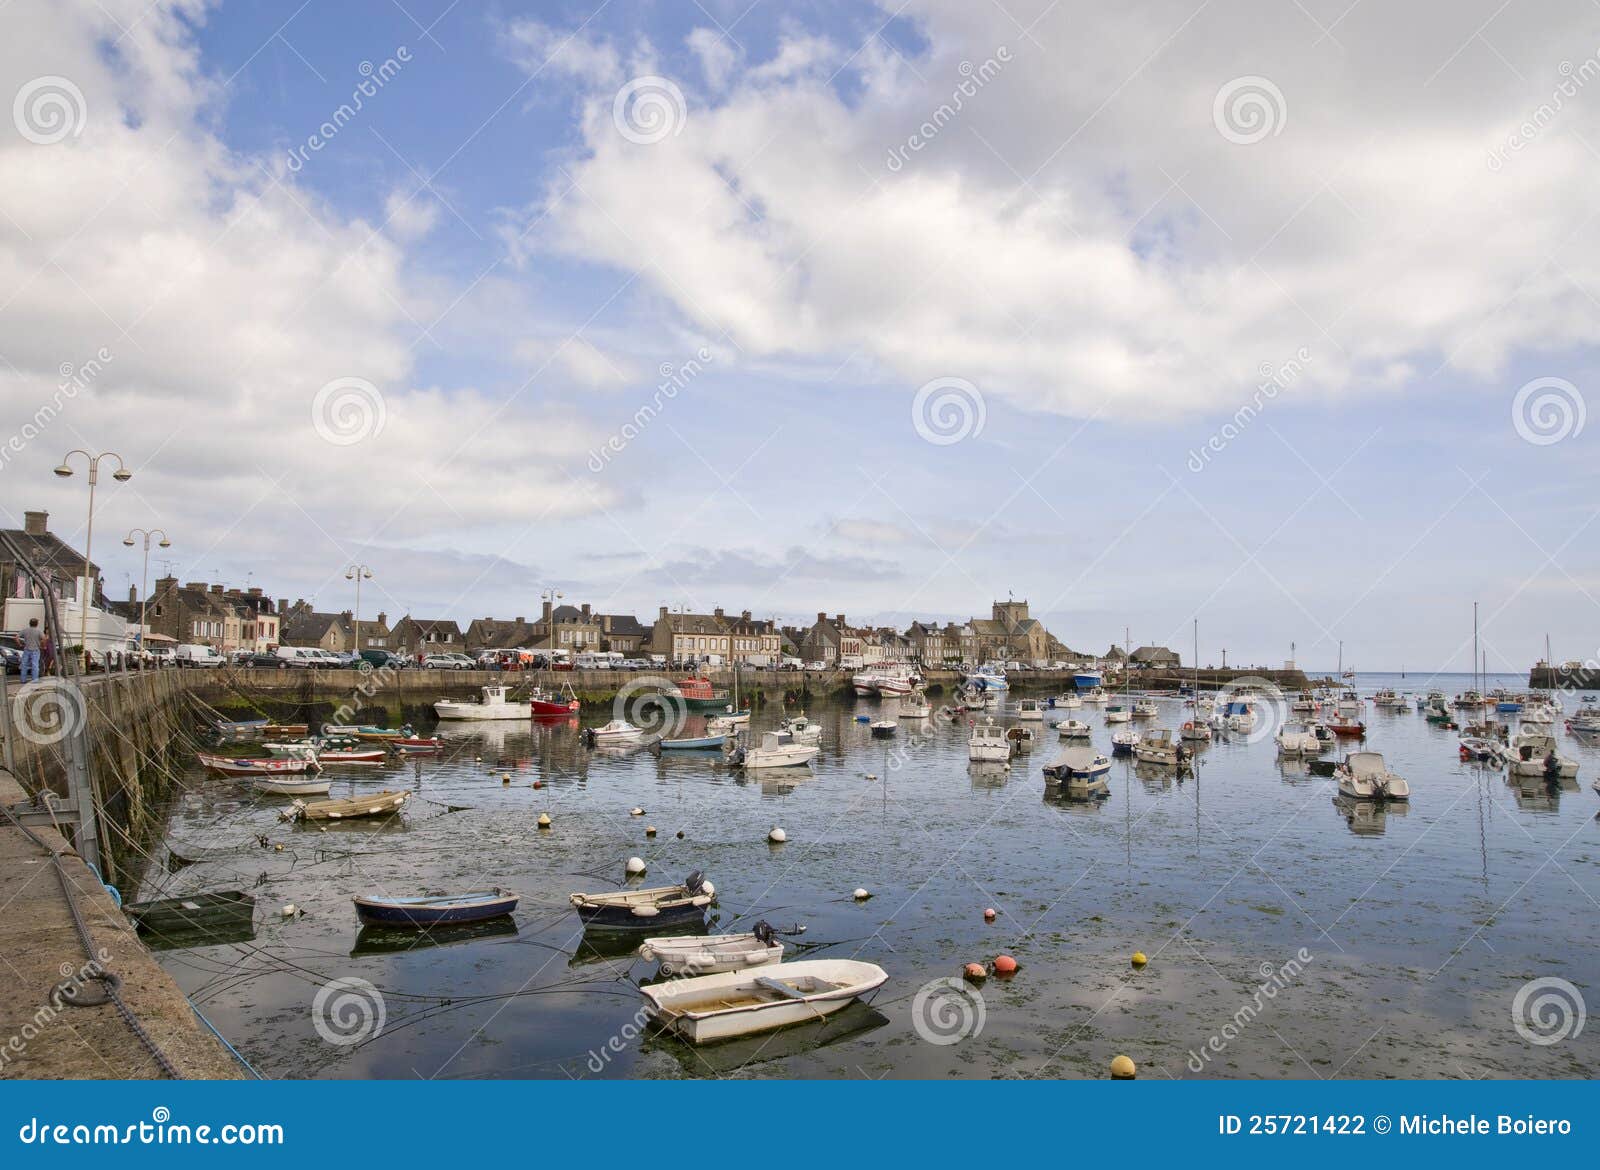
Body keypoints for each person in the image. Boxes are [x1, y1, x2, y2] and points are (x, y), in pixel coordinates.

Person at [20, 618, 42, 683]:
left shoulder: (25, 630)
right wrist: (42, 645)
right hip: (35, 650)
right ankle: (34, 680)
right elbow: (44, 639)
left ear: (29, 623)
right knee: (35, 665)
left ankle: (23, 680)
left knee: (24, 665)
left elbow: (16, 637)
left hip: (26, 649)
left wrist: (20, 644)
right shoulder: (39, 631)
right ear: (37, 624)